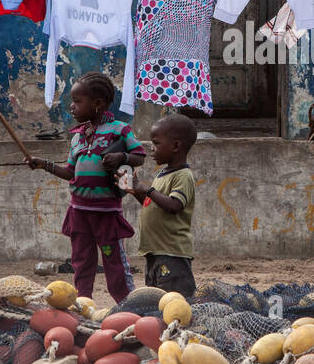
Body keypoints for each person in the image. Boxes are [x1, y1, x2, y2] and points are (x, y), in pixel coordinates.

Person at [27, 72, 144, 303]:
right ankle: (83, 304)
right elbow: (70, 172)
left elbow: (139, 155)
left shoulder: (120, 130)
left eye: (78, 101)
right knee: (81, 261)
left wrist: (121, 155)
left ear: (98, 104)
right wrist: (45, 165)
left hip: (107, 213)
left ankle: (126, 305)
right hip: (79, 212)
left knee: (114, 262)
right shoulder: (77, 138)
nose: (72, 107)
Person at [126, 114, 198, 298]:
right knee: (156, 300)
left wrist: (147, 189)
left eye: (156, 143)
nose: (151, 148)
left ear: (175, 146)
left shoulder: (183, 176)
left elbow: (174, 205)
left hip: (172, 253)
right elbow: (152, 204)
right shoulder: (163, 174)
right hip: (155, 251)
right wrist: (135, 191)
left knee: (175, 300)